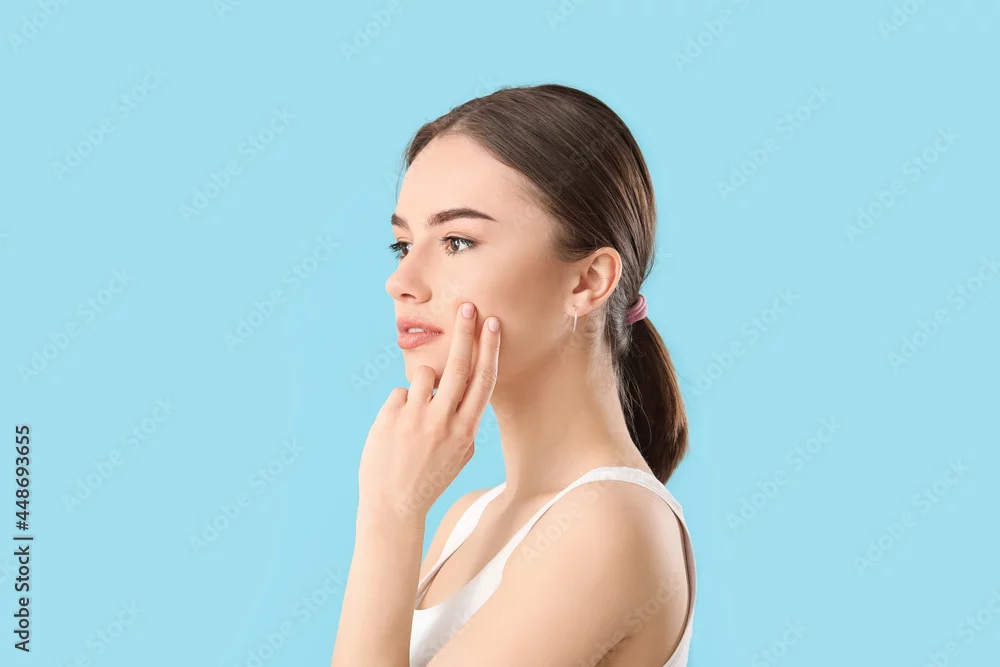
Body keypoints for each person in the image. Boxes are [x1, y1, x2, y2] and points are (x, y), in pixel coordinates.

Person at [331, 83, 696, 667]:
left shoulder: (611, 522)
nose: (401, 282)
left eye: (456, 241)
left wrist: (389, 516)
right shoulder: (467, 519)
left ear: (588, 281)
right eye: (403, 245)